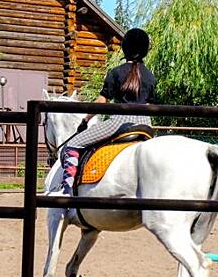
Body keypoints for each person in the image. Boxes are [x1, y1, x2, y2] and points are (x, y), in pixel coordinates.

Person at [59, 28, 156, 196]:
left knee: (71, 145)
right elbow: (148, 103)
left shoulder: (116, 72)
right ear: (145, 50)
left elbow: (101, 101)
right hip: (146, 125)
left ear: (125, 48)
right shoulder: (150, 76)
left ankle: (66, 192)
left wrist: (85, 120)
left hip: (120, 123)